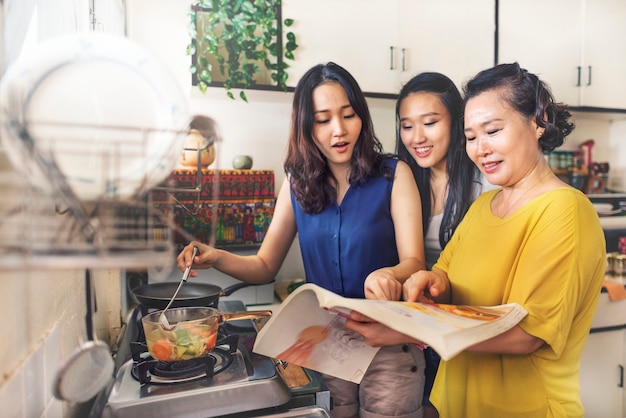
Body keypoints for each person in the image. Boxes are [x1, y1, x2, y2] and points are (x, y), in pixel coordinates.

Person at [346, 62, 606, 417]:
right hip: (459, 405)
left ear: (539, 122)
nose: (480, 148)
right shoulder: (484, 205)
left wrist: (407, 331)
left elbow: (528, 334)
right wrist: (426, 284)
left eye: (493, 130)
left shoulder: (565, 209)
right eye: (470, 137)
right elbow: (446, 278)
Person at [177, 61, 427, 418]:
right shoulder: (297, 184)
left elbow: (415, 263)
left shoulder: (393, 175)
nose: (339, 131)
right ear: (305, 126)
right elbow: (264, 266)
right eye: (323, 120)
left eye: (348, 115)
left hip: (389, 345)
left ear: (362, 116)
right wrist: (215, 256)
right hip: (327, 347)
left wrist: (388, 275)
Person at [387, 72, 492, 417]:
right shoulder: (403, 180)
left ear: (458, 122)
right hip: (416, 331)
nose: (417, 137)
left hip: (468, 328)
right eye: (407, 126)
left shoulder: (484, 184)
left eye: (429, 122)